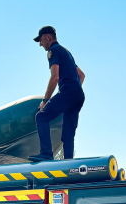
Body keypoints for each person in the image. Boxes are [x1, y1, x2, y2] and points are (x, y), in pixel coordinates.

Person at [28, 26, 85, 162]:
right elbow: (81, 75)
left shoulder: (53, 51)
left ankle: (46, 153)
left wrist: (45, 100)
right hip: (78, 94)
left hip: (69, 92)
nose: (41, 44)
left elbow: (55, 78)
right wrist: (74, 90)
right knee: (68, 133)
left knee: (41, 117)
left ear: (48, 37)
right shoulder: (66, 52)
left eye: (41, 40)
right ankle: (68, 163)